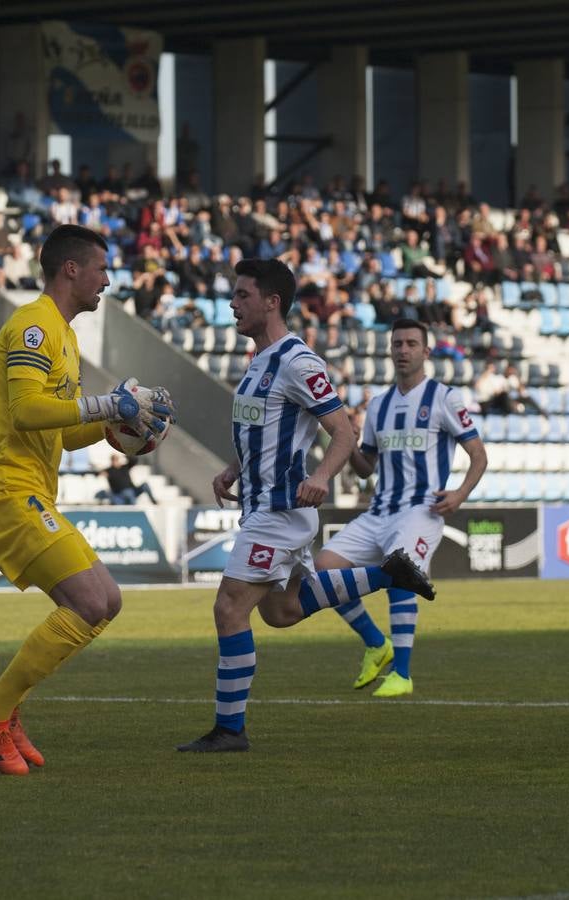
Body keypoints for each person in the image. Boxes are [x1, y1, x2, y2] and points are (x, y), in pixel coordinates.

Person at [175, 258, 434, 755]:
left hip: (280, 510)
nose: (233, 303)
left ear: (271, 302)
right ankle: (388, 575)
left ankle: (230, 729)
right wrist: (235, 467)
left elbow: (343, 431)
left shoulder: (298, 361)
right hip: (260, 505)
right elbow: (265, 431)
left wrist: (320, 475)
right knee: (283, 610)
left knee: (229, 606)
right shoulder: (258, 362)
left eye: (242, 295)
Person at [0, 223, 174, 776]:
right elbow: (29, 411)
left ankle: (5, 710)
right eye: (102, 269)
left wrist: (118, 431)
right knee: (91, 602)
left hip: (26, 489)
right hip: (5, 490)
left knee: (106, 600)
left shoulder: (66, 335)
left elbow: (57, 428)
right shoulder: (33, 327)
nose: (108, 279)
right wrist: (106, 404)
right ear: (71, 270)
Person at [315, 319, 488, 698]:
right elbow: (366, 470)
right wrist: (352, 445)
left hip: (422, 509)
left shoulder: (445, 397)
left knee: (400, 569)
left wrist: (459, 494)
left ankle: (403, 674)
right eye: (397, 343)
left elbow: (478, 456)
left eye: (411, 343)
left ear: (426, 352)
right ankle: (377, 644)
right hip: (379, 510)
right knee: (323, 569)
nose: (403, 350)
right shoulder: (379, 405)